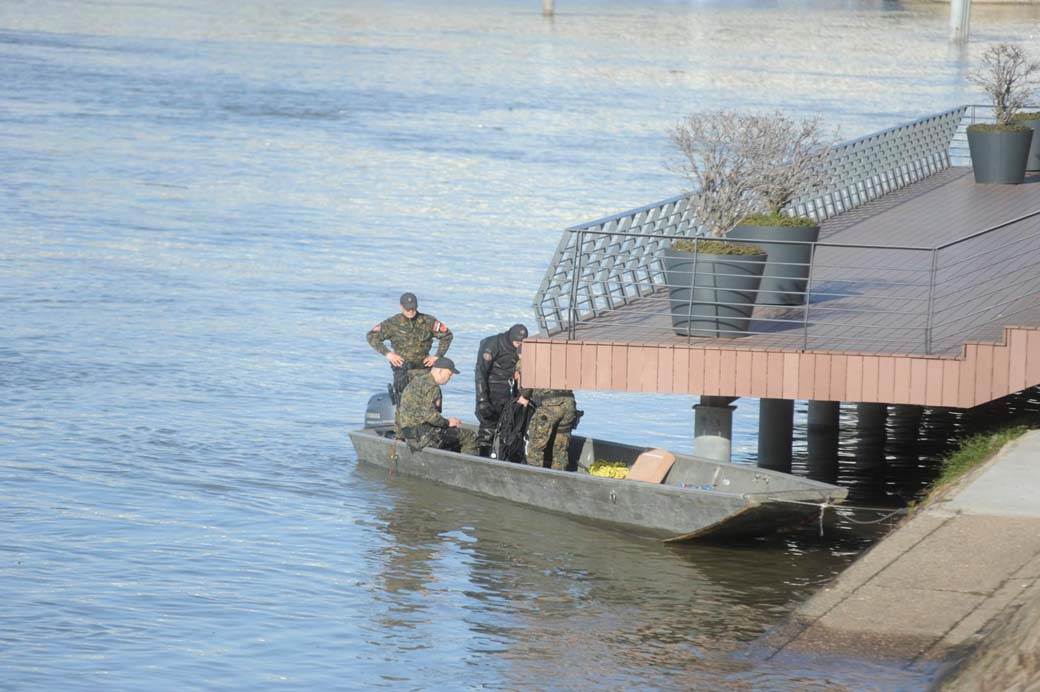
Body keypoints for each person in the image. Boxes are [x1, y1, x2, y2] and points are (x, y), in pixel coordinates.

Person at [367, 292, 453, 405]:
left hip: (423, 368)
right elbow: (371, 336)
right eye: (407, 309)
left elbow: (447, 336)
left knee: (429, 401)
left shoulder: (428, 321)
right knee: (404, 404)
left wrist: (437, 356)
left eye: (413, 308)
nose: (411, 311)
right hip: (403, 370)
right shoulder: (392, 323)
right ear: (401, 307)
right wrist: (388, 354)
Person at [395, 357, 477, 455]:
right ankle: (467, 467)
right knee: (470, 436)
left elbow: (400, 410)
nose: (450, 378)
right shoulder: (433, 387)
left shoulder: (415, 382)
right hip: (425, 438)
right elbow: (430, 416)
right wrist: (448, 422)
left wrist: (399, 436)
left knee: (451, 435)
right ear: (439, 371)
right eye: (449, 374)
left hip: (410, 436)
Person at [474, 323, 527, 457]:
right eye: (517, 342)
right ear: (510, 337)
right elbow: (480, 373)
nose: (519, 345)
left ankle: (506, 458)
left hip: (510, 394)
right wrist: (482, 399)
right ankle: (483, 456)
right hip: (491, 392)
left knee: (509, 430)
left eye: (522, 342)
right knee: (488, 427)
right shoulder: (493, 344)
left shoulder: (524, 348)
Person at [521, 388, 578, 470]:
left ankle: (534, 477)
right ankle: (558, 477)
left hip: (550, 404)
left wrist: (524, 395)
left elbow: (527, 386)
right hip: (570, 404)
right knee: (560, 448)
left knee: (536, 447)